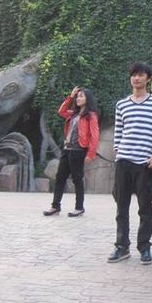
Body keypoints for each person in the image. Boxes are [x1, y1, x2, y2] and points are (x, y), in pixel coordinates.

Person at [108, 62, 152, 265]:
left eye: (141, 75)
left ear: (148, 79)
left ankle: (144, 247)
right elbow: (119, 132)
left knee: (145, 208)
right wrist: (118, 152)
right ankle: (121, 246)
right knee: (121, 208)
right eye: (133, 75)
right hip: (124, 161)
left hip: (145, 164)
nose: (136, 78)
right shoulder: (122, 104)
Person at [43, 86, 99, 217]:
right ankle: (55, 206)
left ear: (88, 99)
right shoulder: (73, 113)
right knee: (60, 178)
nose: (78, 98)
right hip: (67, 149)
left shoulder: (91, 116)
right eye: (77, 96)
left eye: (81, 96)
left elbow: (95, 135)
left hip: (79, 150)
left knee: (77, 179)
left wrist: (91, 153)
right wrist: (71, 96)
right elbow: (61, 111)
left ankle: (79, 208)